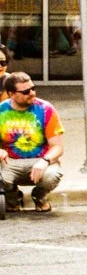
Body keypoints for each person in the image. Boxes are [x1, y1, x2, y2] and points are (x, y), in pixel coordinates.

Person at [0, 71, 63, 213]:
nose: (32, 93)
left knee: (51, 176)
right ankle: (12, 198)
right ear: (11, 94)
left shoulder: (46, 109)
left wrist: (45, 161)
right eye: (26, 91)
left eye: (33, 88)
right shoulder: (1, 111)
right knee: (1, 178)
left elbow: (58, 147)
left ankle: (39, 196)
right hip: (10, 161)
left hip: (40, 159)